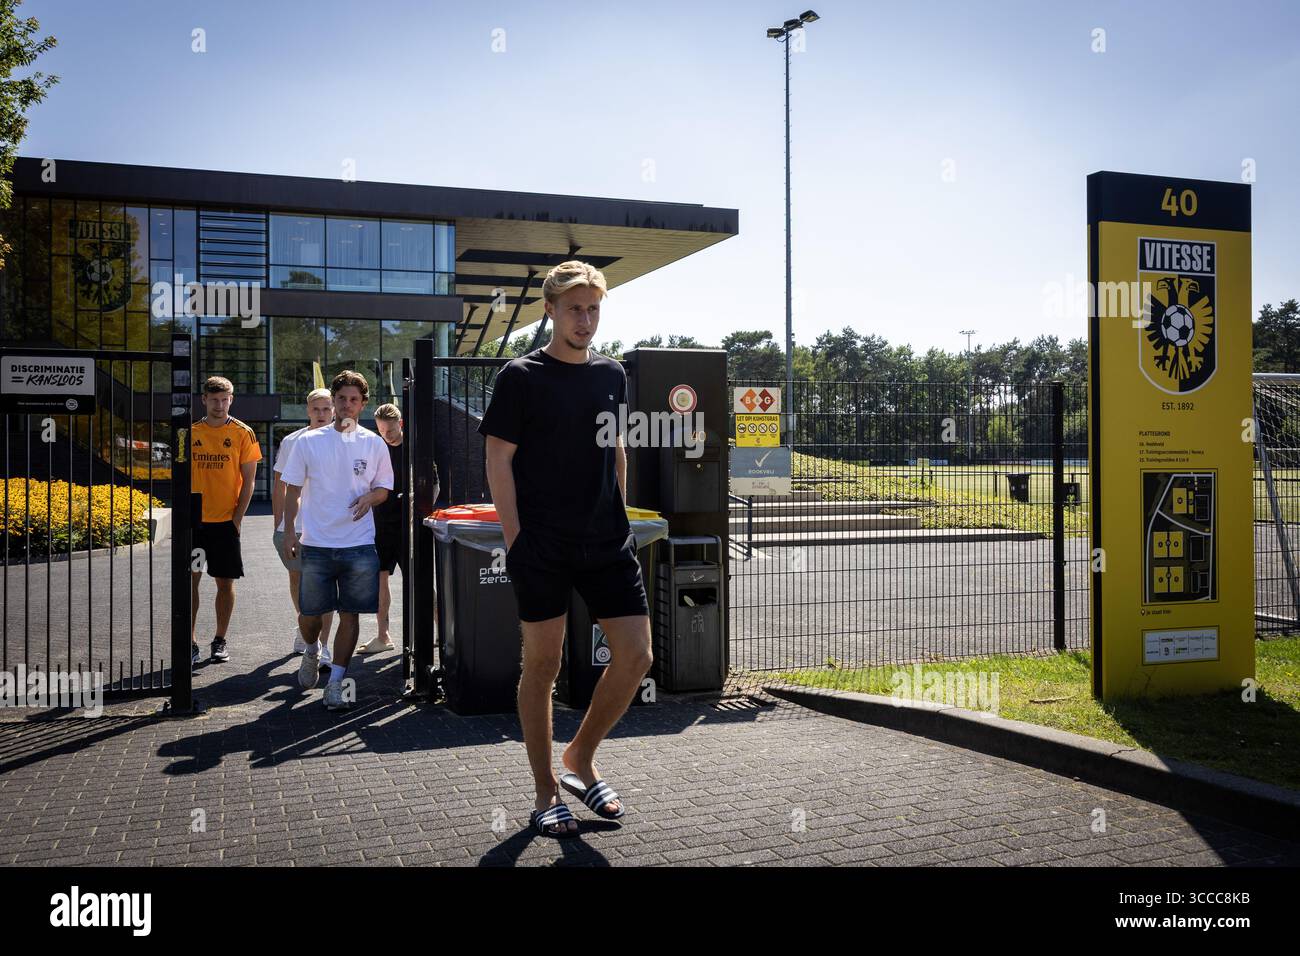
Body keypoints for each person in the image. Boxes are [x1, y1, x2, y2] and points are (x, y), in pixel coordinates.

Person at [479, 260, 653, 838]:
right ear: (550, 310)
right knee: (544, 665)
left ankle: (578, 757)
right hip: (542, 545)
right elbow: (498, 458)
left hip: (606, 540)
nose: (586, 319)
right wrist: (516, 538)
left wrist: (622, 515)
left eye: (594, 308)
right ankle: (544, 790)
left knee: (636, 657)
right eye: (575, 308)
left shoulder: (612, 374)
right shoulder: (521, 376)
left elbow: (616, 449)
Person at [280, 370, 392, 711]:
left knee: (351, 615)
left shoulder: (373, 443)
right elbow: (293, 489)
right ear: (333, 399)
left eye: (353, 399)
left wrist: (370, 498)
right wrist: (288, 531)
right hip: (316, 542)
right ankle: (312, 649)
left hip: (359, 543)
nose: (346, 404)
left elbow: (384, 488)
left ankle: (336, 682)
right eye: (341, 398)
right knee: (311, 615)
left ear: (363, 404)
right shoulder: (307, 442)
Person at [190, 375, 262, 665]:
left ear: (231, 400)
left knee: (224, 583)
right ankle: (190, 642)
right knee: (190, 582)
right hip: (194, 524)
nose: (219, 405)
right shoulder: (190, 432)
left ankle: (219, 640)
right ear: (204, 400)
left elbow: (249, 481)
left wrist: (237, 520)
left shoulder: (244, 433)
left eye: (225, 399)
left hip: (224, 525)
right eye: (214, 399)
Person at [272, 387, 335, 667]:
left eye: (326, 409)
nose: (321, 414)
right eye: (316, 409)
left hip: (327, 527)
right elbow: (281, 485)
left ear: (333, 410)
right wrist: (280, 523)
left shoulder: (344, 441)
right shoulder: (291, 441)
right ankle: (305, 628)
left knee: (326, 586)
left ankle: (323, 645)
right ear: (307, 411)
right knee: (297, 582)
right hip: (294, 526)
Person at [357, 402, 408, 654]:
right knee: (380, 580)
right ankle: (383, 636)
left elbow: (432, 484)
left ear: (400, 424)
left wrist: (417, 505)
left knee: (418, 583)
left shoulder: (415, 448)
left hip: (408, 527)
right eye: (380, 431)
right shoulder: (376, 448)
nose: (385, 436)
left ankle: (440, 633)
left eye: (389, 431)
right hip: (380, 525)